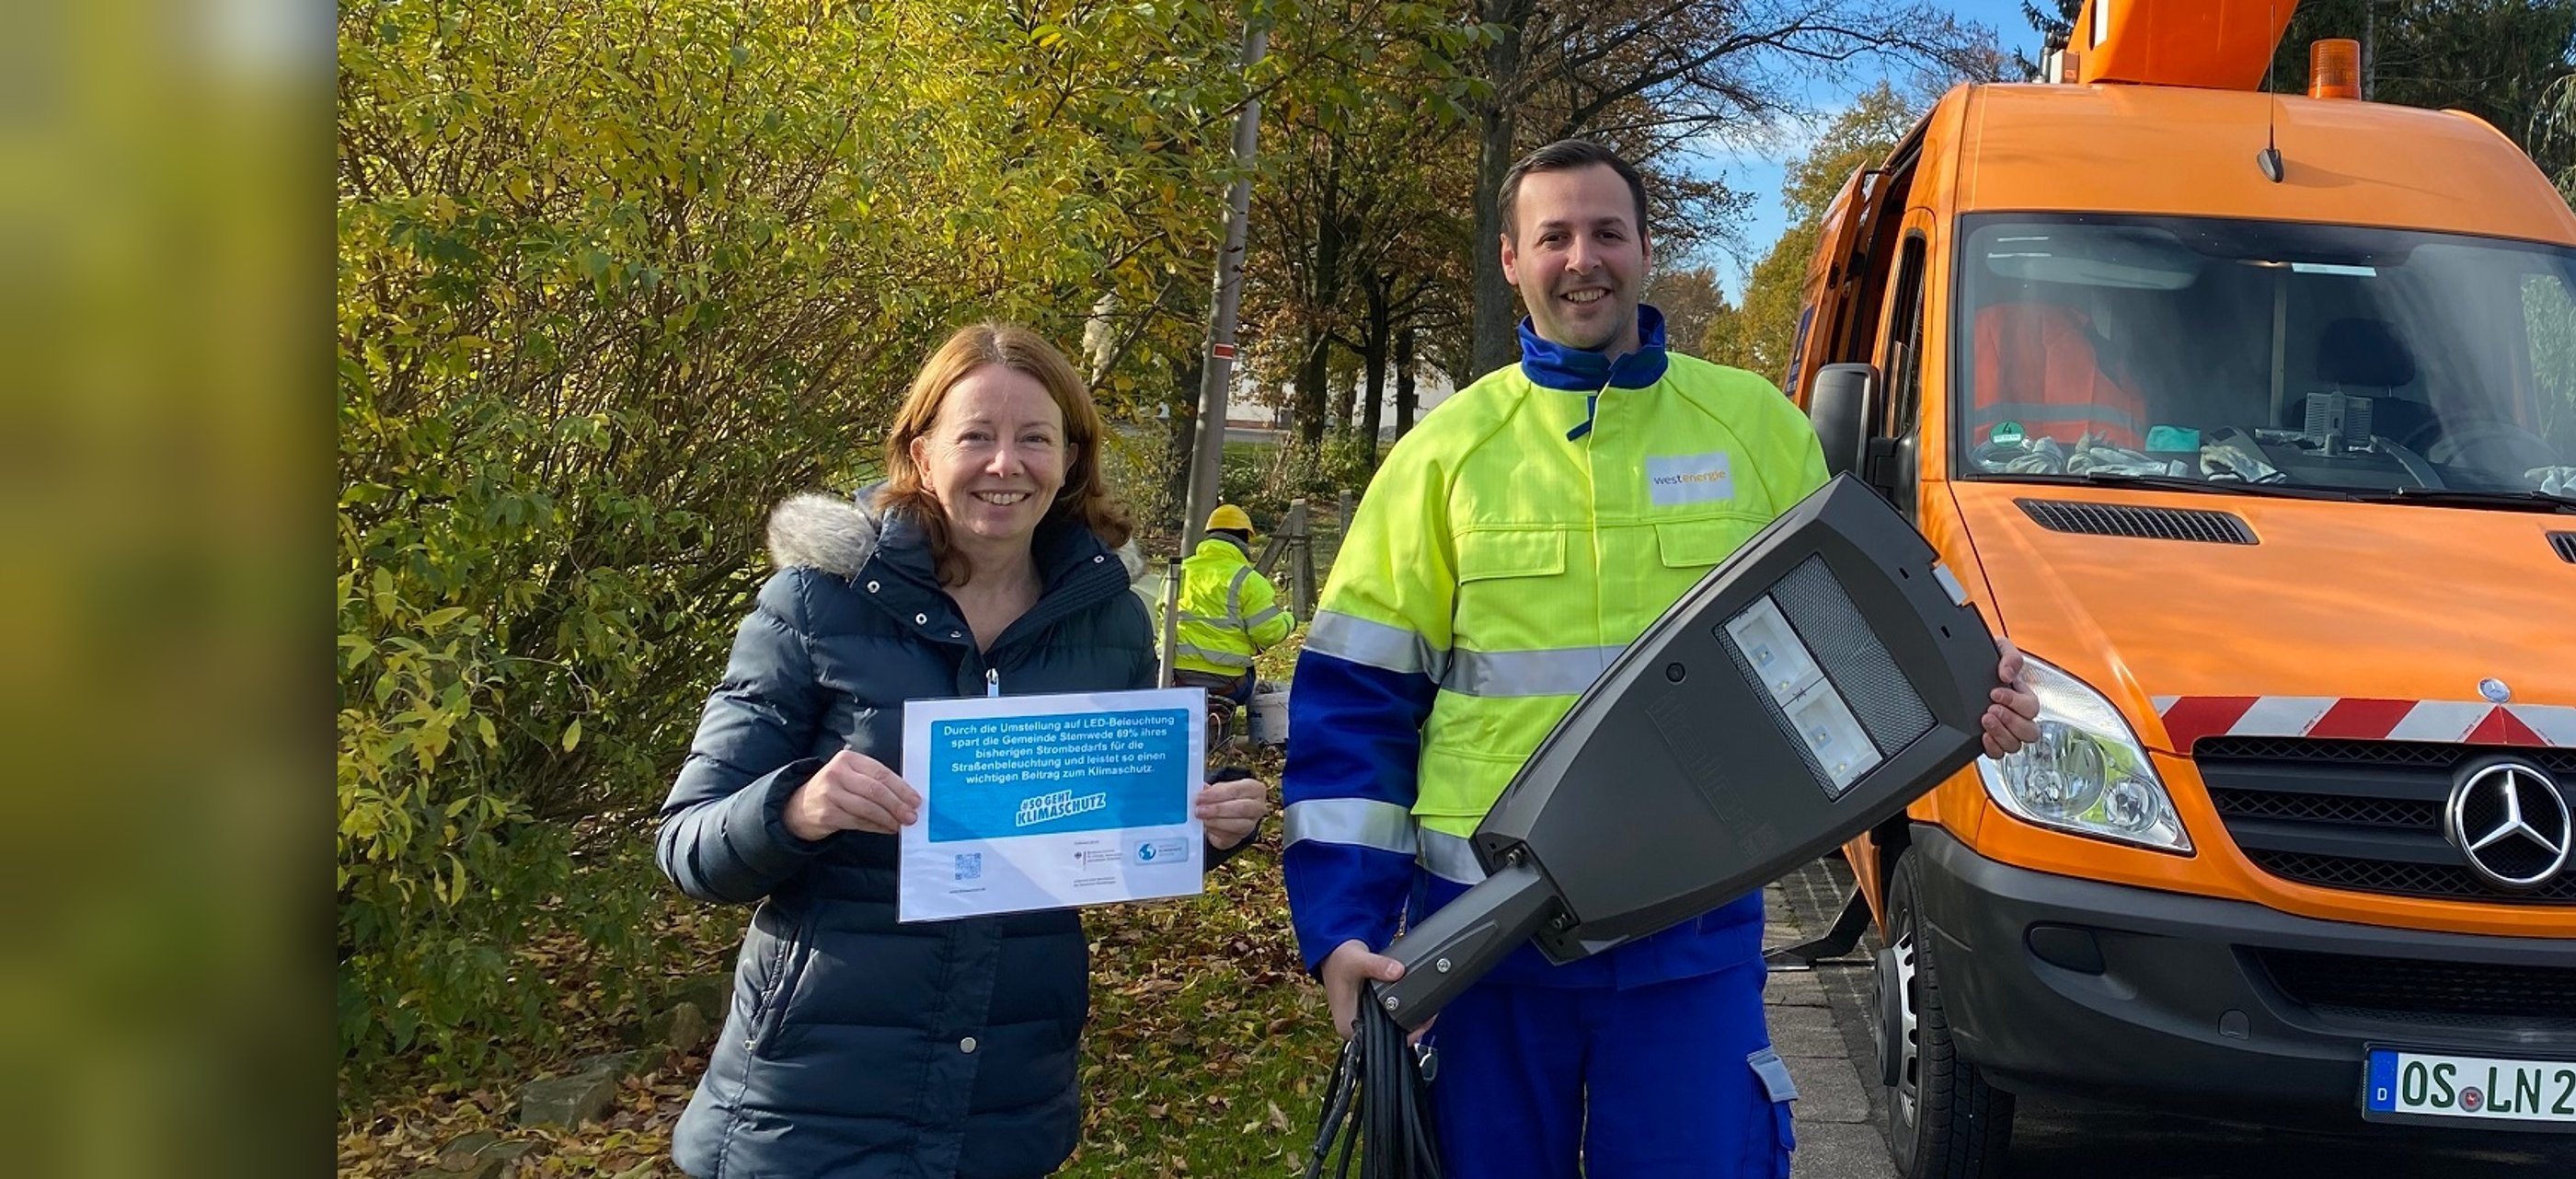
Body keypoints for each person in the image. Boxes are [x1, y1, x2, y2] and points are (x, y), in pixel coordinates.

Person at [1280, 140, 2045, 1179]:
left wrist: (1973, 692)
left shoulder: (1755, 428)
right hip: (1484, 946)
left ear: (1645, 248)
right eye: (1554, 236)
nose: (1582, 258)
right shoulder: (1444, 456)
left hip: (1688, 937)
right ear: (1513, 259)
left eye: (1606, 232)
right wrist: (1340, 927)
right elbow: (1355, 711)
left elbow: (1861, 633)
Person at [655, 322, 1275, 1179]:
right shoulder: (814, 601)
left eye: (1033, 438)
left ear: (1070, 458)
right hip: (812, 1103)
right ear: (921, 450)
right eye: (975, 435)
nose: (1004, 463)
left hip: (1009, 1094)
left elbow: (1101, 838)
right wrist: (795, 807)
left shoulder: (1110, 622)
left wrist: (1201, 826)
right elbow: (688, 846)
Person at [1166, 503, 1293, 707]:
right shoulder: (1247, 579)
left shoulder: (1179, 571)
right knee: (1249, 672)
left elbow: (1162, 619)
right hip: (1229, 685)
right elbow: (1268, 632)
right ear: (1244, 538)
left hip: (1177, 681)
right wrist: (1289, 620)